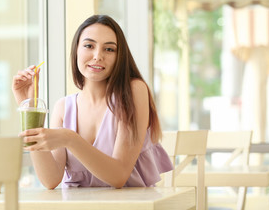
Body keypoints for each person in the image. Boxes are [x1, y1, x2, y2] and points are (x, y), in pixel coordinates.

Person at [12, 15, 173, 189]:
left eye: (109, 49)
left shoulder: (133, 91)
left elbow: (118, 176)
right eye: (89, 46)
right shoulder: (63, 107)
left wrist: (70, 138)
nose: (98, 56)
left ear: (120, 56)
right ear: (76, 51)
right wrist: (27, 107)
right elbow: (50, 179)